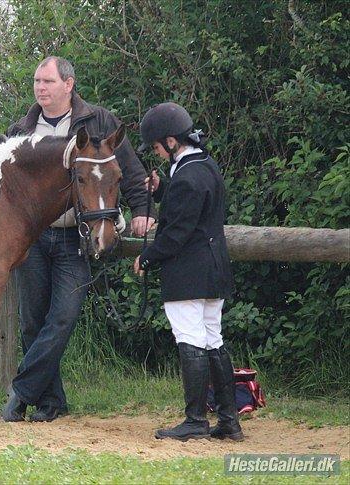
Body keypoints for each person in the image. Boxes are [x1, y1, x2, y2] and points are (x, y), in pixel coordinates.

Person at [1, 56, 154, 422]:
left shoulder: (99, 122)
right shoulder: (21, 129)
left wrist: (143, 210)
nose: (40, 88)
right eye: (37, 81)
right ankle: (52, 402)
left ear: (68, 85)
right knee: (32, 321)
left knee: (63, 317)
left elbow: (128, 169)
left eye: (48, 81)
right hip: (34, 238)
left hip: (76, 237)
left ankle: (21, 393)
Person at [133, 102, 243, 441]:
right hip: (213, 270)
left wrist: (148, 258)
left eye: (156, 147)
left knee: (191, 341)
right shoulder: (204, 166)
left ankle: (195, 420)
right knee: (214, 341)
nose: (157, 154)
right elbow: (192, 204)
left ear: (170, 141)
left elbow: (177, 232)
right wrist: (162, 189)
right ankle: (228, 420)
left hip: (188, 274)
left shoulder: (187, 177)